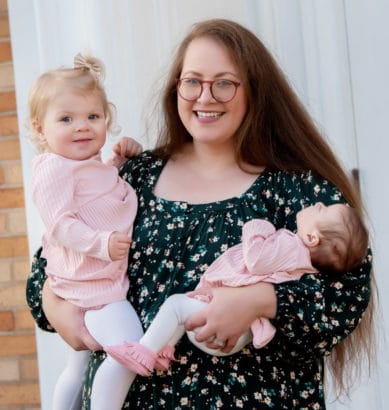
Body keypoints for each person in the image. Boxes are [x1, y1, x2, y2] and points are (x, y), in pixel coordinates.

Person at [26, 19, 376, 409]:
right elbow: (52, 264)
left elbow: (346, 297)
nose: (205, 97)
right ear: (176, 88)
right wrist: (55, 306)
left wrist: (262, 301)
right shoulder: (136, 175)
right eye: (192, 81)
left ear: (255, 92)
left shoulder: (295, 189)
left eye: (224, 82)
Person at [104, 201, 369, 376]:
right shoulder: (303, 262)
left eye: (322, 209)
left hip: (219, 326)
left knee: (175, 304)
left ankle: (145, 352)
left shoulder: (291, 247)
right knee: (182, 311)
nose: (317, 203)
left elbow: (255, 258)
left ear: (312, 238)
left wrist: (257, 227)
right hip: (236, 332)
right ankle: (166, 350)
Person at [28, 53, 147, 410]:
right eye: (66, 118)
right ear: (39, 129)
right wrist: (101, 244)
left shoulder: (86, 164)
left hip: (98, 277)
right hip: (89, 283)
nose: (82, 126)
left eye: (93, 117)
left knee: (76, 370)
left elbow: (98, 193)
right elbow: (62, 224)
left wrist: (119, 163)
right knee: (131, 347)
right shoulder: (53, 170)